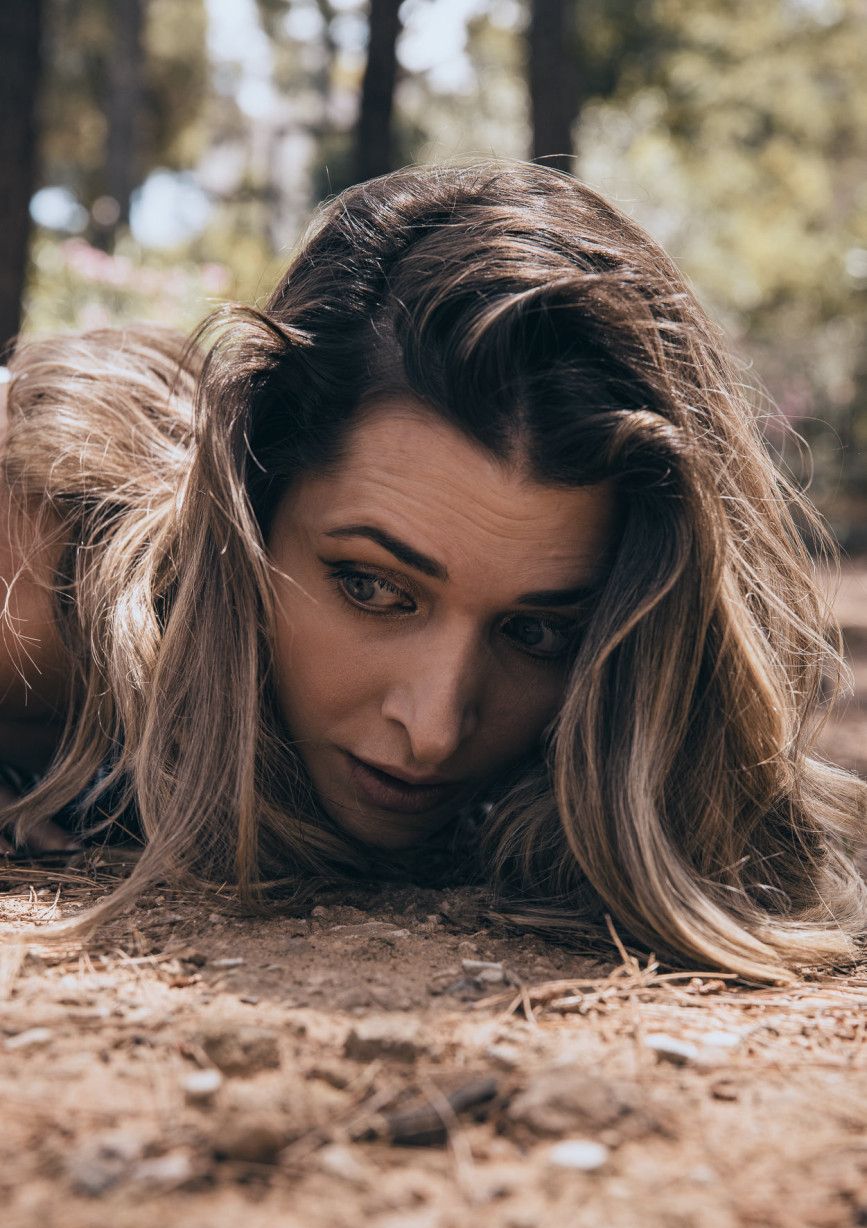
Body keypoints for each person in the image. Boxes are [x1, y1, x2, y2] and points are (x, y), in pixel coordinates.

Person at [1, 159, 864, 982]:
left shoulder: (617, 726)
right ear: (252, 503)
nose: (435, 731)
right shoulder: (49, 581)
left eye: (537, 632)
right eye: (372, 587)